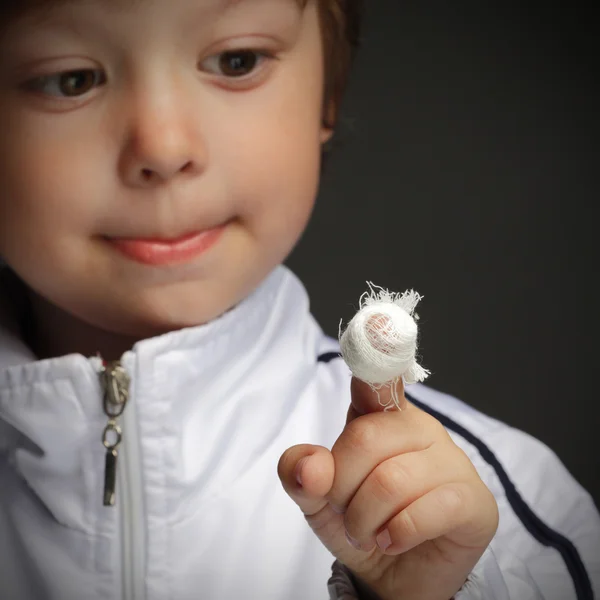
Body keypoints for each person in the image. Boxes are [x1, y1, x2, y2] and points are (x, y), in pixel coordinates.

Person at [0, 0, 598, 598]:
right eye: (69, 79)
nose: (162, 146)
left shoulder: (504, 529)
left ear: (328, 98)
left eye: (237, 61)